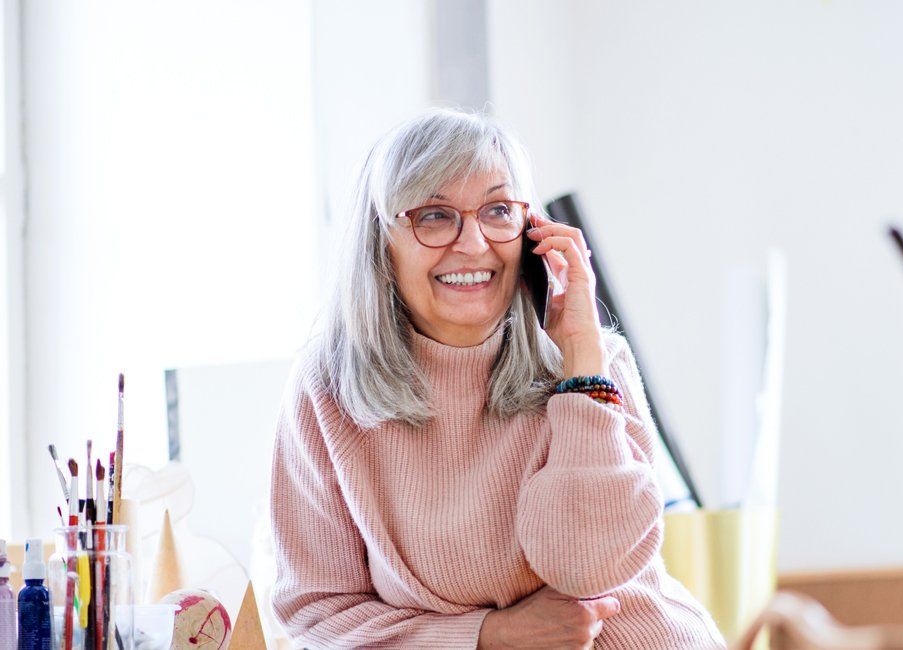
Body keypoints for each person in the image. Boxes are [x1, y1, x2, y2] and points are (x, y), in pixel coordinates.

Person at [269, 108, 724, 649]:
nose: (474, 243)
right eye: (434, 215)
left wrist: (580, 361)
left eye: (498, 209)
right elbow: (318, 614)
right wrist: (486, 637)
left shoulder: (594, 363)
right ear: (381, 243)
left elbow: (590, 569)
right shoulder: (327, 388)